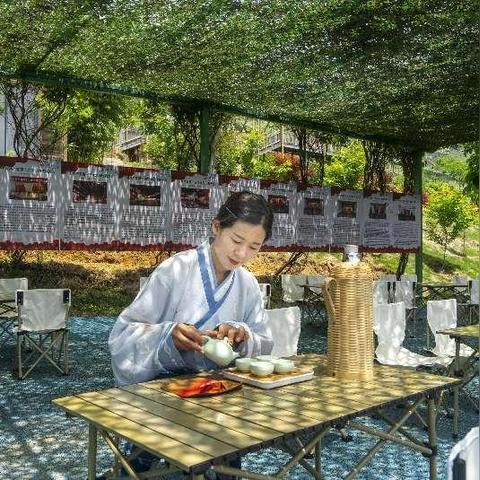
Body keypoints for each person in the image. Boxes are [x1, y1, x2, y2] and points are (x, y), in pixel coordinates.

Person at [106, 190, 275, 478]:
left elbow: (265, 341)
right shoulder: (176, 269)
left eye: (254, 247)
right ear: (216, 227)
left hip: (220, 394)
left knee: (226, 464)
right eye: (236, 240)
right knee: (136, 469)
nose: (241, 254)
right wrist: (168, 335)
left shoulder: (247, 284)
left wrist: (242, 335)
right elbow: (122, 335)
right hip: (162, 391)